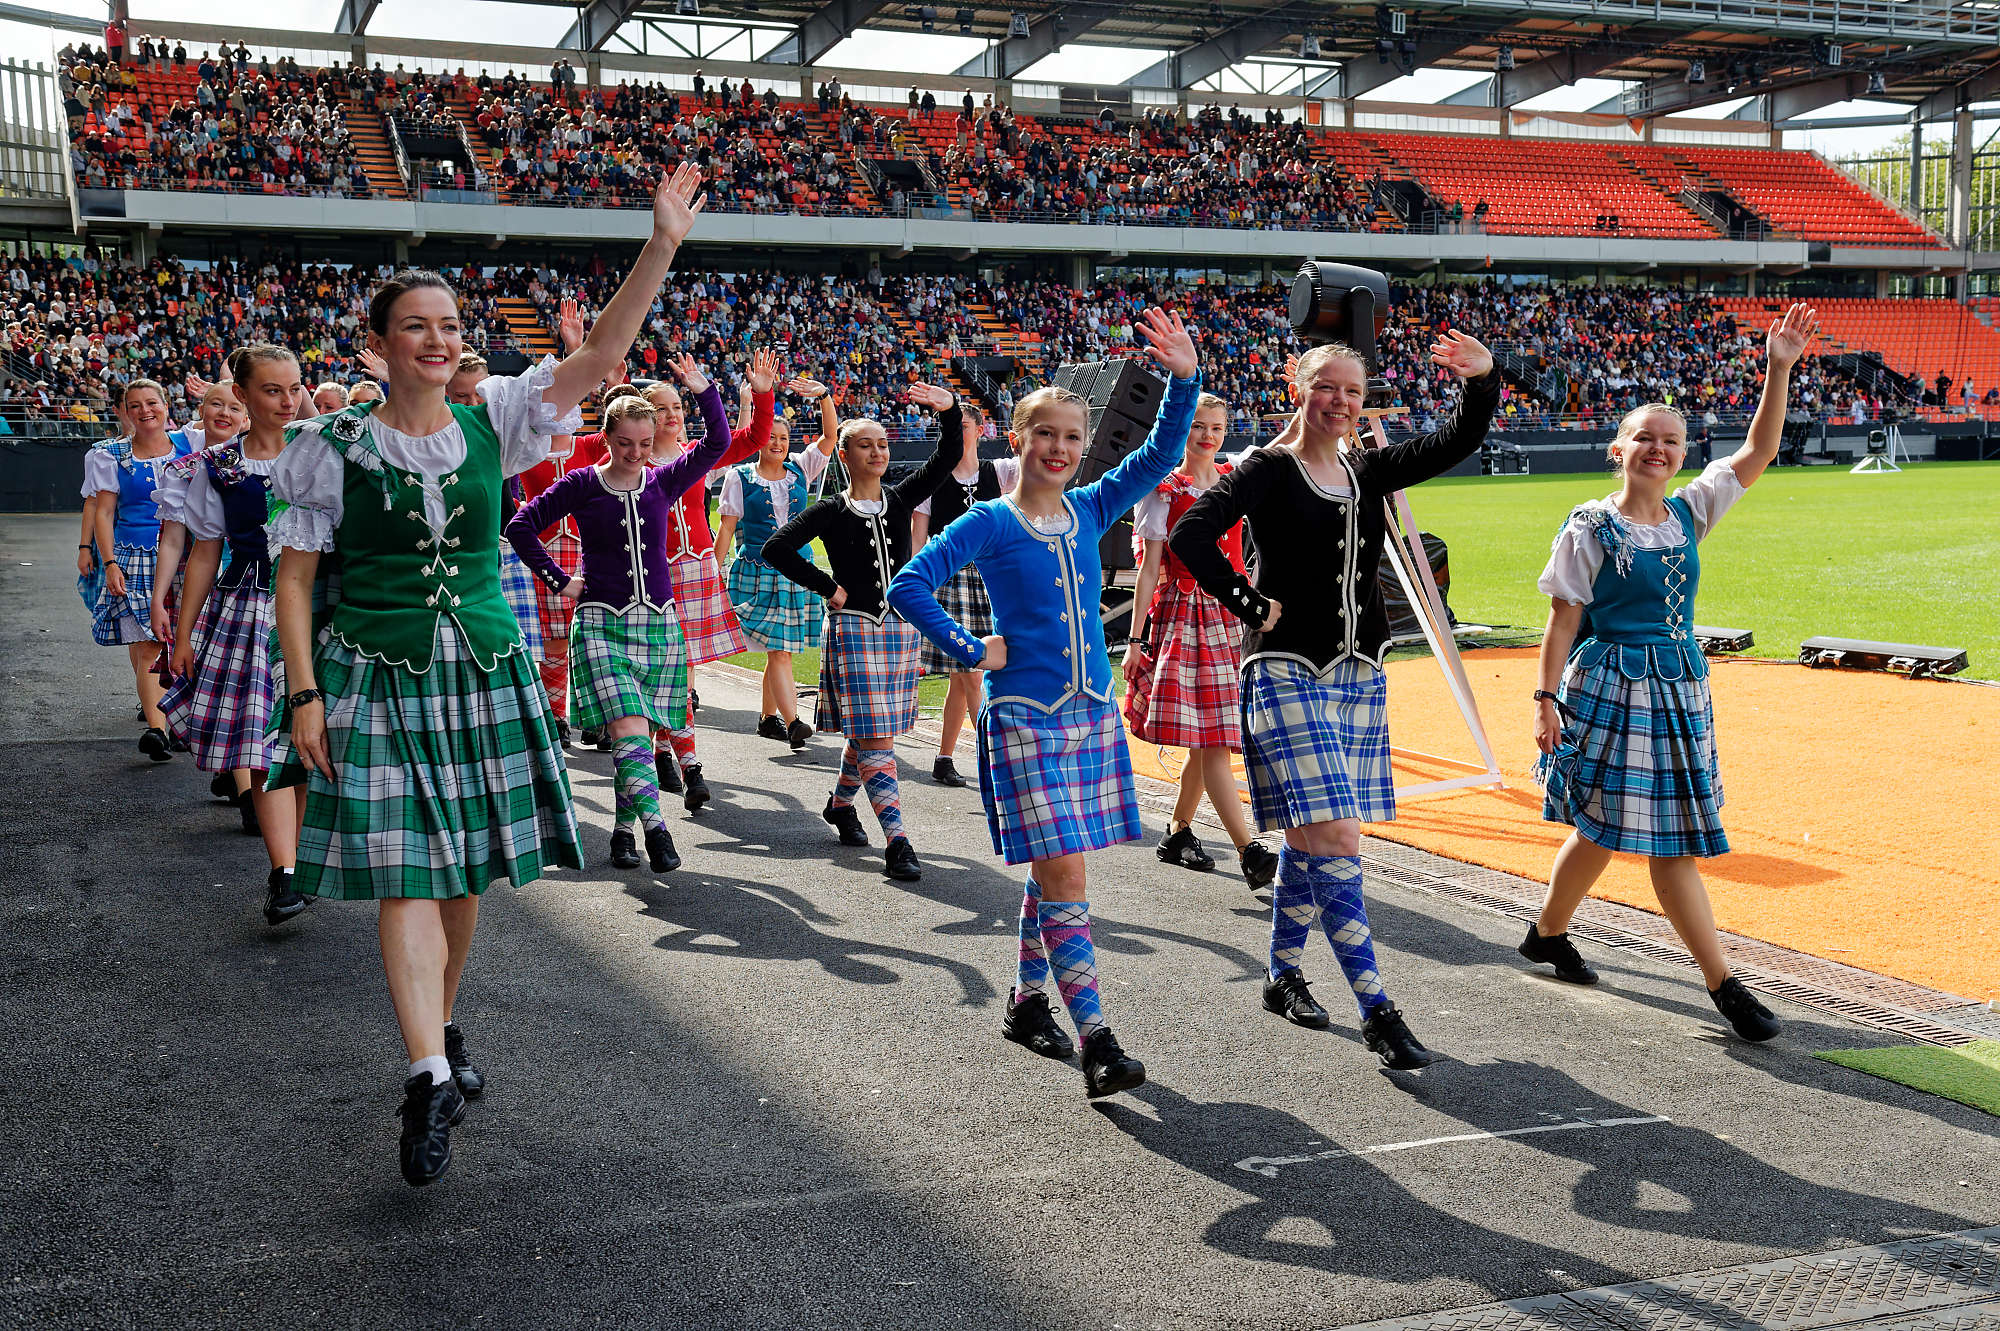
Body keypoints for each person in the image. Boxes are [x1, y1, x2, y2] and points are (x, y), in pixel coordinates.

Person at [265, 164, 709, 1188]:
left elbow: (601, 354)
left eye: (450, 323)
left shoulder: (495, 417)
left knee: (461, 871)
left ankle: (441, 1026)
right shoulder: (325, 446)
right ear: (377, 347)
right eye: (415, 325)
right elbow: (296, 581)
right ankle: (426, 1066)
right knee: (408, 874)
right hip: (373, 669)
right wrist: (302, 691)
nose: (439, 337)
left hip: (483, 664)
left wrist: (661, 244)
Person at [890, 307, 1200, 1099]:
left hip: (1089, 715)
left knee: (1057, 867)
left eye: (1071, 436)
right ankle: (1098, 1041)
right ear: (1018, 441)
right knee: (1064, 871)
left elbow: (1163, 450)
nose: (1060, 449)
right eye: (1045, 435)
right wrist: (970, 649)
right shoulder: (991, 520)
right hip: (1024, 717)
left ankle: (1029, 1002)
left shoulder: (1092, 505)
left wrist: (1183, 379)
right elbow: (908, 585)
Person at [1171, 329, 1500, 1070]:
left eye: (1354, 391)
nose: (1342, 402)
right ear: (1299, 388)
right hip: (1284, 668)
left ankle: (1283, 973)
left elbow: (1454, 442)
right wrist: (1247, 602)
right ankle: (1378, 1008)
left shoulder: (1368, 471)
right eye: (1328, 387)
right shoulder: (1266, 468)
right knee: (1341, 837)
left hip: (1357, 673)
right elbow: (1191, 535)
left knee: (1307, 837)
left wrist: (1482, 381)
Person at [1522, 305, 1821, 1045]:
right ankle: (1724, 984)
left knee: (1612, 829)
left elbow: (1760, 447)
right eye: (1644, 438)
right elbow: (1563, 620)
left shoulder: (1692, 510)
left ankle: (1547, 932)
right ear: (1618, 449)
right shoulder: (1588, 526)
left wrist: (1777, 366)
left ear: (1683, 454)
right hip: (1611, 682)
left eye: (1671, 440)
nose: (1658, 448)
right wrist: (1544, 698)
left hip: (1679, 684)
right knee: (1652, 838)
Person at [507, 365, 732, 873]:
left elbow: (717, 441)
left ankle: (622, 830)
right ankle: (657, 830)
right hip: (600, 624)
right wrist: (559, 580)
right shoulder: (582, 483)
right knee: (629, 728)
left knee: (637, 734)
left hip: (658, 623)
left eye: (645, 443)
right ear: (606, 437)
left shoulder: (664, 480)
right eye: (626, 442)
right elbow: (522, 526)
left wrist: (703, 389)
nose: (636, 453)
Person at [763, 385, 961, 882]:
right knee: (876, 736)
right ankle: (898, 840)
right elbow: (777, 548)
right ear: (846, 455)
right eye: (866, 445)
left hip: (897, 629)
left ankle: (839, 804)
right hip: (852, 629)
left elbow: (948, 455)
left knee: (874, 732)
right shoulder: (830, 509)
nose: (878, 451)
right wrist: (827, 586)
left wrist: (951, 411)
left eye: (882, 444)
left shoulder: (900, 498)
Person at [156, 345, 311, 926]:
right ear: (242, 397)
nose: (288, 401)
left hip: (318, 610)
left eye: (295, 388)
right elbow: (204, 552)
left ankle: (299, 861)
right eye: (273, 390)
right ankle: (285, 872)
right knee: (264, 742)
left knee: (305, 742)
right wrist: (184, 632)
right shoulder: (217, 467)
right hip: (249, 612)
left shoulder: (320, 451)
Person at [638, 350, 814, 806]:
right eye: (661, 409)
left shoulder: (698, 456)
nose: (673, 415)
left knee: (676, 668)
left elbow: (754, 436)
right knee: (666, 668)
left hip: (695, 567)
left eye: (677, 407)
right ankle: (677, 757)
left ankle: (673, 754)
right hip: (652, 570)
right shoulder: (627, 461)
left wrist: (761, 392)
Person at [1123, 390, 1276, 890]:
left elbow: (1291, 443)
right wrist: (1134, 639)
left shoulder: (1236, 477)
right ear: (1180, 430)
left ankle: (1177, 831)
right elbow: (1147, 571)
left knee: (1210, 735)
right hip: (1184, 617)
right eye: (1197, 427)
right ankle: (1248, 850)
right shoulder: (1164, 488)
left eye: (1216, 427)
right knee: (1213, 738)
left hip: (1230, 615)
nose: (1208, 436)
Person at [85, 378, 199, 759]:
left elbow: (235, 412)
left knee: (188, 639)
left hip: (188, 555)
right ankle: (157, 729)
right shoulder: (111, 456)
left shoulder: (192, 444)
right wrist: (110, 562)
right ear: (126, 412)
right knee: (149, 642)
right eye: (135, 405)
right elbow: (103, 512)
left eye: (152, 402)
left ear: (167, 406)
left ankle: (183, 721)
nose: (144, 411)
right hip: (135, 555)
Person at [716, 395, 838, 749]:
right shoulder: (739, 478)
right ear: (758, 440)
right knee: (780, 651)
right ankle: (794, 721)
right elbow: (726, 528)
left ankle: (768, 719)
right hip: (758, 572)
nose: (778, 444)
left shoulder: (801, 468)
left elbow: (830, 437)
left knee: (778, 650)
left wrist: (825, 398)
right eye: (771, 436)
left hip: (797, 572)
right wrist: (713, 570)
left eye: (783, 438)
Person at [908, 401, 1009, 788]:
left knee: (962, 677)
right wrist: (919, 587)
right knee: (970, 673)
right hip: (949, 581)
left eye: (963, 425)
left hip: (990, 579)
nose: (955, 432)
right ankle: (992, 759)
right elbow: (919, 540)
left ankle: (945, 756)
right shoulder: (932, 479)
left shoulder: (998, 472)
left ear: (981, 430)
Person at [448, 350, 546, 705]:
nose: (473, 402)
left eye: (479, 394)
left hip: (503, 544)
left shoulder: (504, 429)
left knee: (515, 650)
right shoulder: (439, 432)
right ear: (446, 392)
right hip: (458, 552)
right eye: (461, 396)